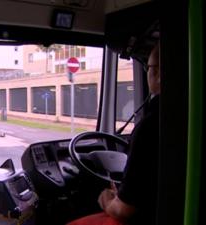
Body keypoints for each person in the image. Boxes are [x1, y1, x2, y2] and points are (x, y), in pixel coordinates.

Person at [67, 43, 161, 225]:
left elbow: (124, 210)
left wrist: (108, 200)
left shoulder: (150, 126)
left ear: (157, 73)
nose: (148, 72)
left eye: (148, 67)